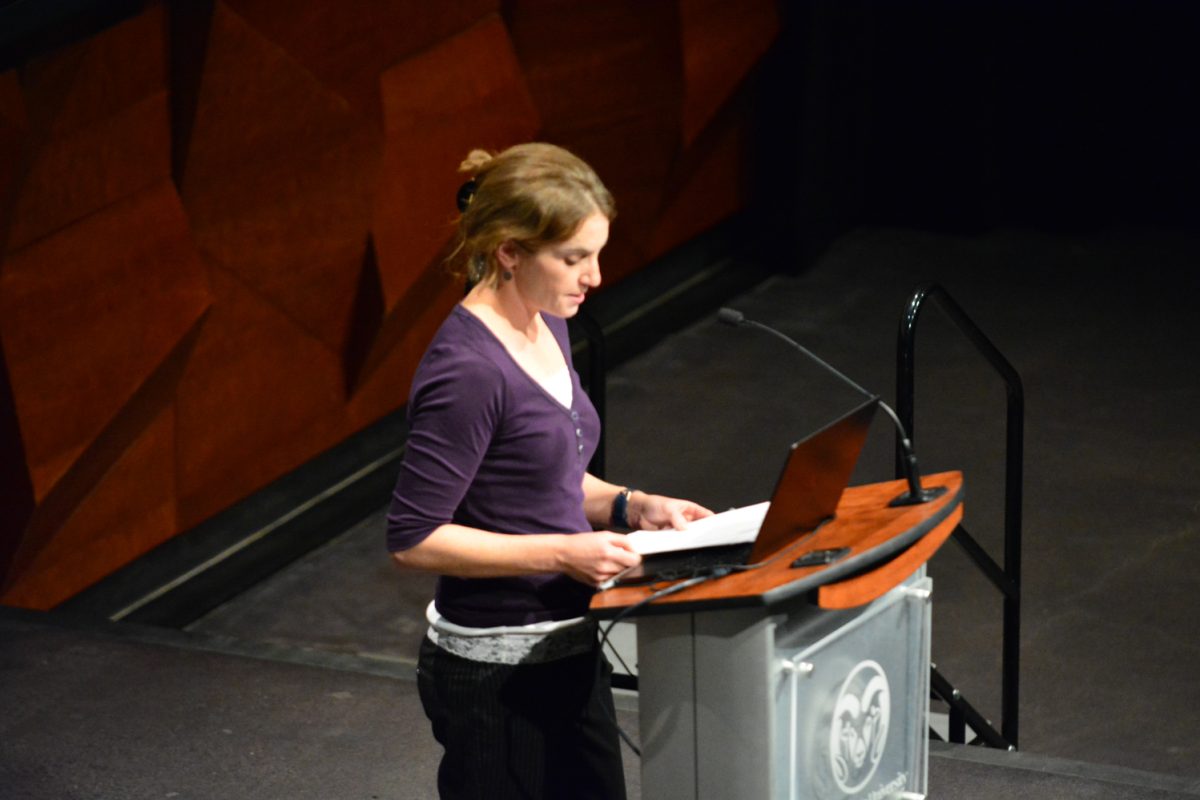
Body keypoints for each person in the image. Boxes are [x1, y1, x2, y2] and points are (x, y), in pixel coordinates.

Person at [386, 142, 712, 800]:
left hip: (568, 648)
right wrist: (563, 552)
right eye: (574, 258)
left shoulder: (545, 320)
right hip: (495, 678)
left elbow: (551, 478)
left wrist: (633, 506)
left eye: (596, 253)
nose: (594, 276)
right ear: (509, 251)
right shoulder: (469, 371)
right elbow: (414, 537)